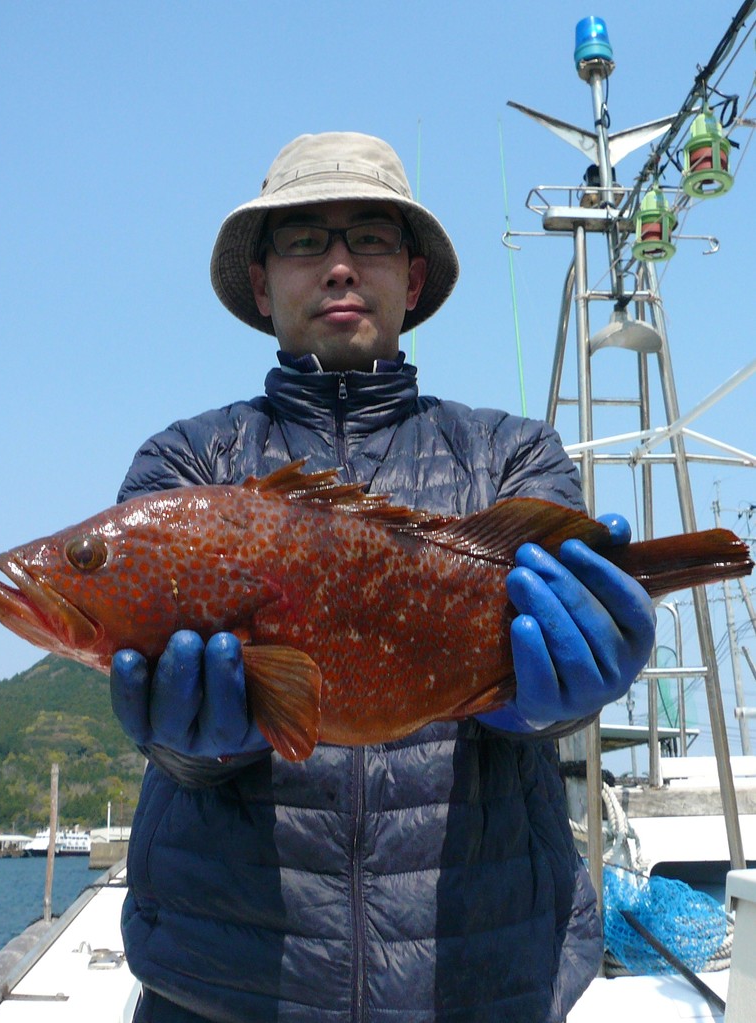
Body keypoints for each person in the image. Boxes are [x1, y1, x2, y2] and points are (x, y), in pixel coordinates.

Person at [109, 131, 656, 1023]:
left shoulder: (511, 452)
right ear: (260, 281)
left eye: (367, 239)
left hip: (480, 986)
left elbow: (547, 678)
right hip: (224, 990)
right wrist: (188, 745)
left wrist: (552, 703)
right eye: (301, 241)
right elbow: (164, 706)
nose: (336, 267)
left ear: (412, 278)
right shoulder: (186, 465)